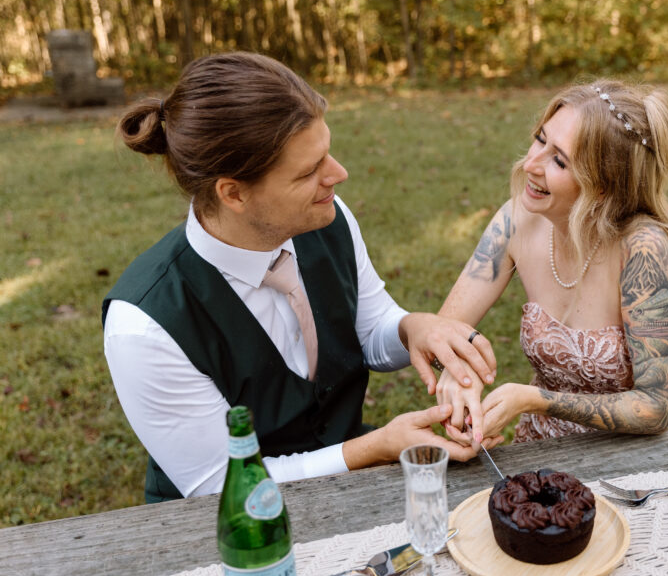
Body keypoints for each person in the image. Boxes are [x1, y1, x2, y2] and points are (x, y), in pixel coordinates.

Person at [103, 52, 494, 502]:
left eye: (326, 153)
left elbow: (368, 328)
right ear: (233, 193)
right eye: (310, 171)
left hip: (351, 489)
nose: (338, 175)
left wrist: (413, 328)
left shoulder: (328, 218)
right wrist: (373, 448)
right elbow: (216, 486)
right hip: (229, 531)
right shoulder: (144, 327)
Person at [436, 79, 668, 446]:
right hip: (540, 449)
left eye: (559, 160)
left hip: (633, 457)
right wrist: (458, 377)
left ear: (601, 185)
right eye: (540, 139)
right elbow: (443, 331)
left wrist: (535, 400)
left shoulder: (644, 250)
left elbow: (657, 407)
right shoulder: (515, 221)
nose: (530, 163)